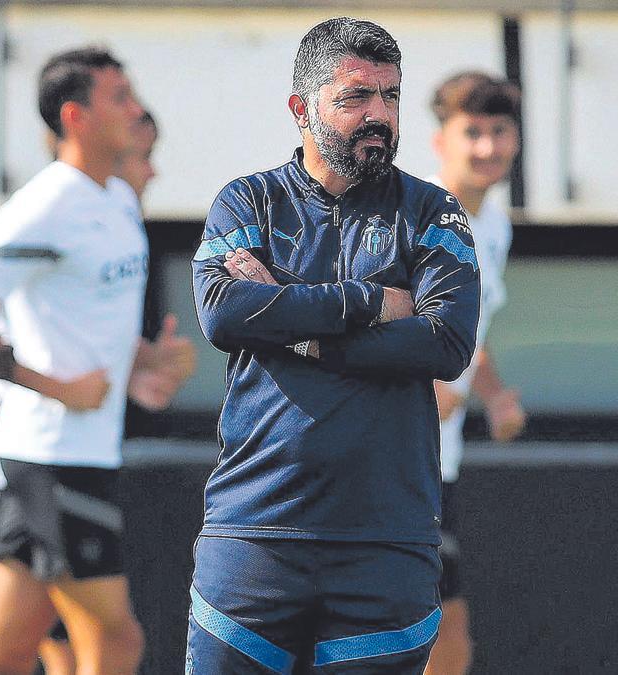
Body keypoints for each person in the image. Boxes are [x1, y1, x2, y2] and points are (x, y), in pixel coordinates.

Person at [187, 17, 481, 674]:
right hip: (254, 536)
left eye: (391, 96)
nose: (379, 114)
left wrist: (293, 322)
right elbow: (225, 313)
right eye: (355, 98)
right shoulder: (246, 202)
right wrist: (370, 301)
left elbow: (446, 340)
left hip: (385, 545)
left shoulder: (434, 212)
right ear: (301, 108)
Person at [0, 47, 194, 675]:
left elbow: (85, 330)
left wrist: (145, 362)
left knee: (4, 652)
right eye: (120, 97)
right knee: (115, 639)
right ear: (74, 116)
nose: (136, 110)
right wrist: (56, 389)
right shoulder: (42, 207)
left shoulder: (114, 201)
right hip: (49, 458)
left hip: (81, 454)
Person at [424, 71, 527, 675]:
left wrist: (491, 394)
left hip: (440, 463)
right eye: (472, 132)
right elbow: (350, 321)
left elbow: (471, 339)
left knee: (445, 640)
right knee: (435, 636)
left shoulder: (495, 225)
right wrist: (416, 383)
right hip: (388, 462)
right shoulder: (416, 218)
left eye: (500, 131)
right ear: (441, 140)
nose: (487, 147)